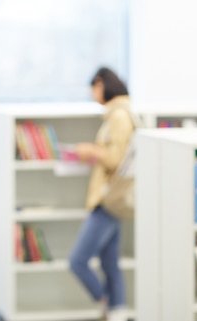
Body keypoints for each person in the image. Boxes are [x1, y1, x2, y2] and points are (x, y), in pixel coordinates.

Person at [69, 66, 134, 321]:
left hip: (107, 199)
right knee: (110, 265)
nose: (93, 94)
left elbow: (116, 159)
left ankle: (106, 302)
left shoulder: (119, 116)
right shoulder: (116, 114)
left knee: (77, 261)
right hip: (108, 198)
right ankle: (117, 312)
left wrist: (90, 151)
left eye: (93, 88)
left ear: (102, 84)